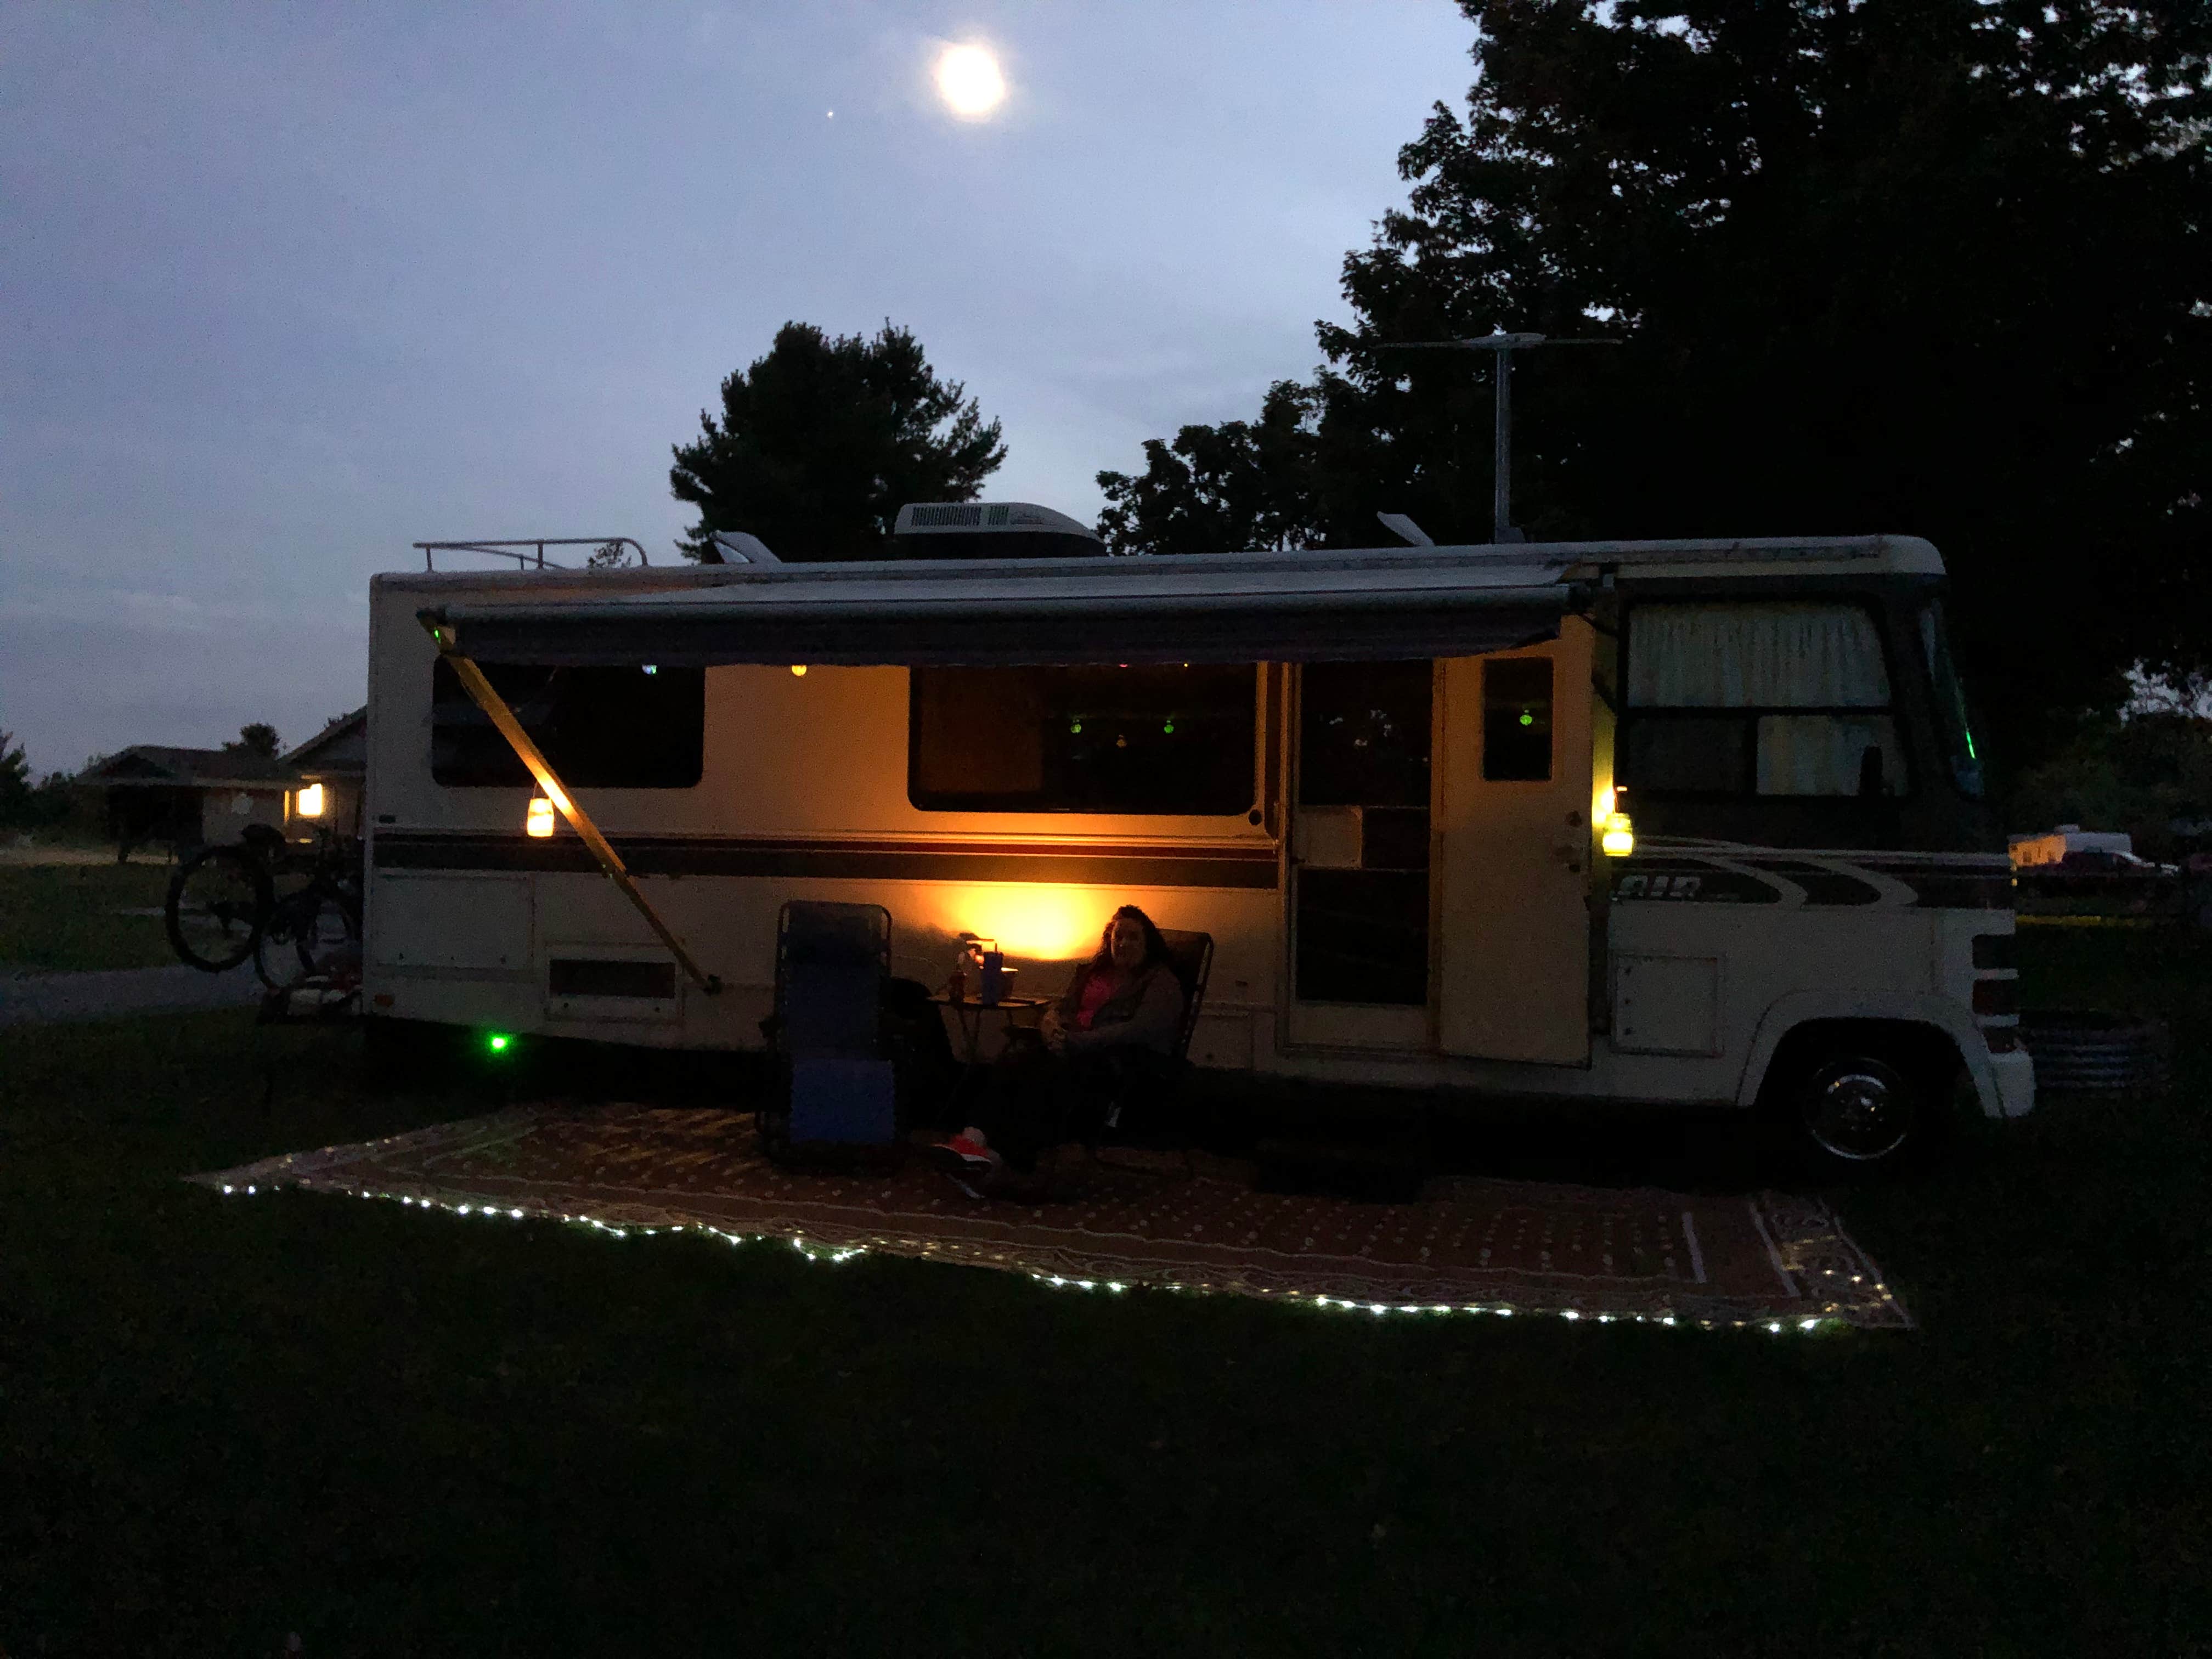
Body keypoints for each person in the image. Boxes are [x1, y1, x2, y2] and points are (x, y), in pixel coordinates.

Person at [935, 905, 1185, 1196]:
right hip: (1072, 1047)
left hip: (1116, 1061)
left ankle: (997, 1160)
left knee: (1046, 1078)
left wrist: (1080, 1042)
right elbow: (1064, 1008)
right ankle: (970, 1143)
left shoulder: (1160, 981)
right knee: (1014, 1063)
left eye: (1133, 938)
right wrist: (1050, 1025)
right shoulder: (1094, 973)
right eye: (1119, 937)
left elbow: (1140, 1029)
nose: (1123, 944)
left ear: (1148, 945)